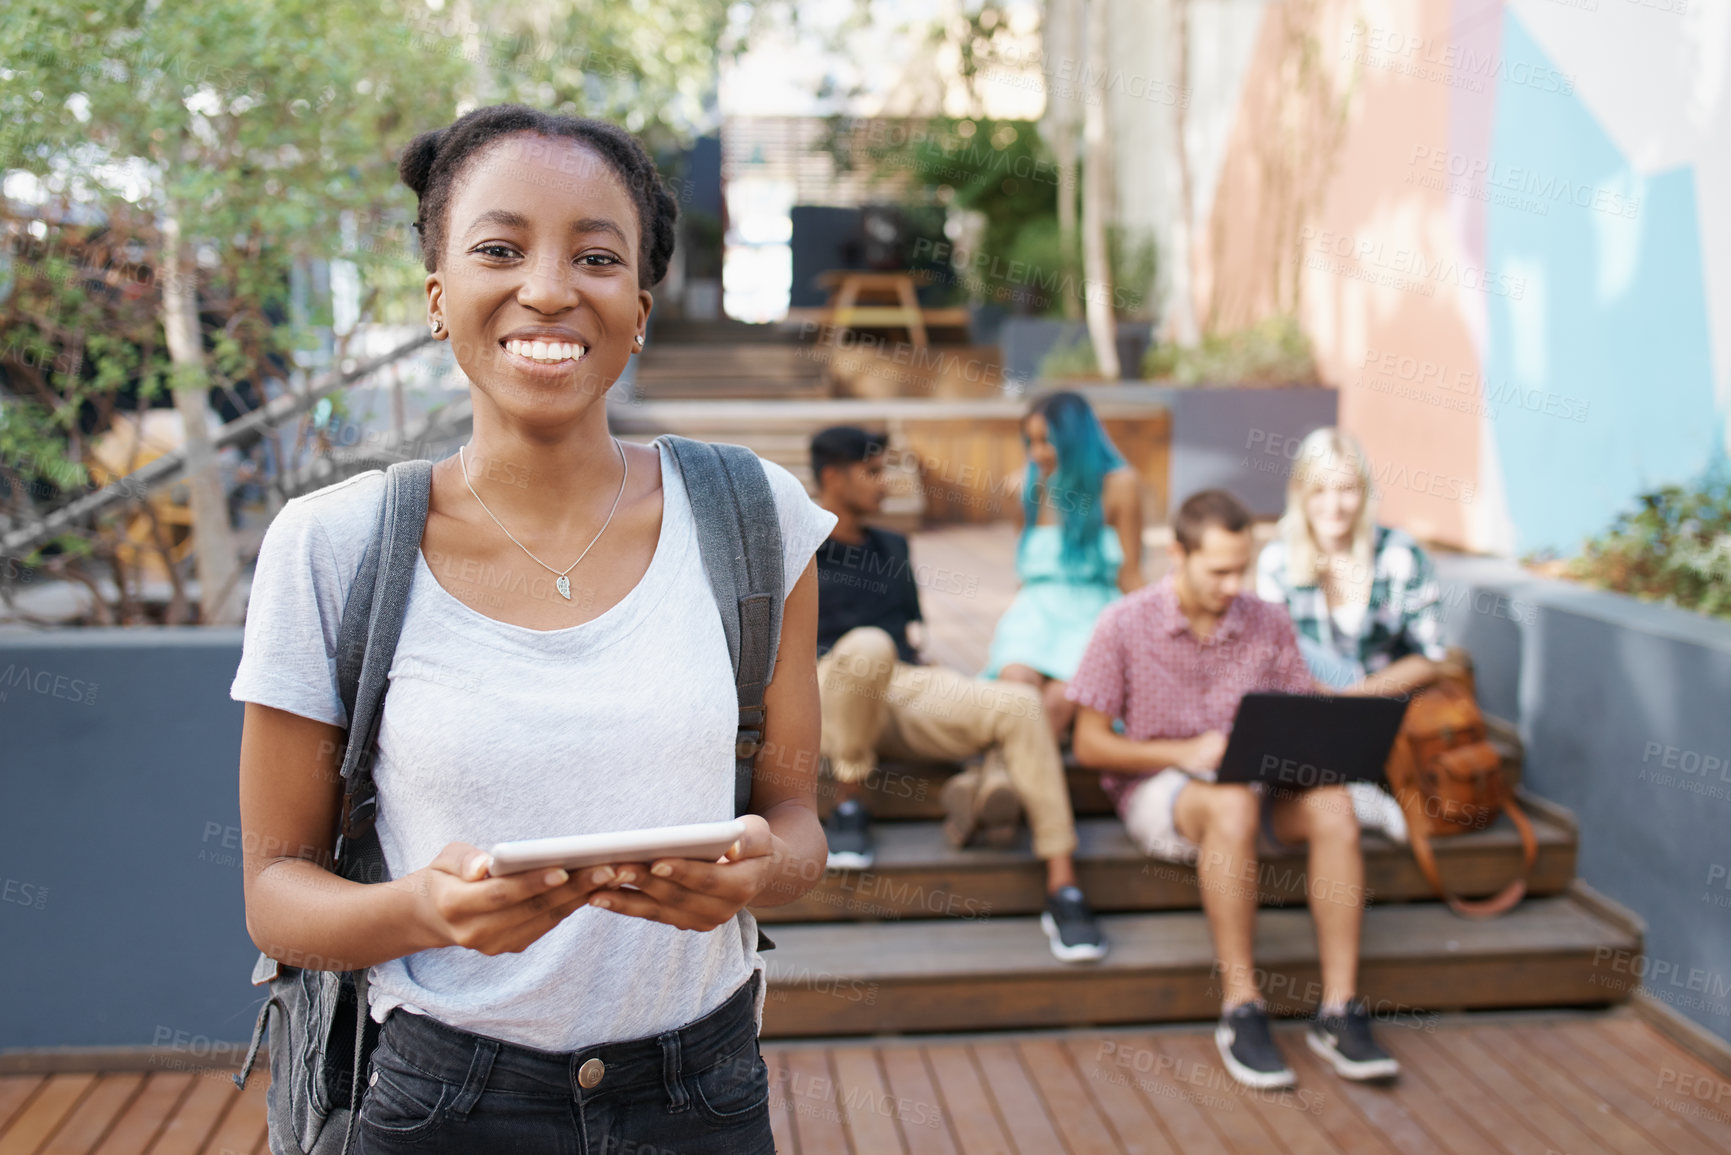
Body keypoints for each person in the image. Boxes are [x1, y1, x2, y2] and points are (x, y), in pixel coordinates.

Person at [230, 104, 836, 1154]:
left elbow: (798, 827)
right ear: (438, 297)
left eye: (596, 256)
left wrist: (756, 873)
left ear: (639, 307)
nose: (549, 288)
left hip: (704, 1094)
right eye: (499, 249)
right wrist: (427, 911)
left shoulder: (755, 518)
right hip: (442, 1097)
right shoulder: (329, 549)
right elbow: (277, 898)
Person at [1068, 489, 1399, 1089]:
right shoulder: (1123, 622)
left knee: (1333, 807)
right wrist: (1183, 752)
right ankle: (1242, 1006)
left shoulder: (1267, 619)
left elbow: (1300, 709)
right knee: (1230, 801)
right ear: (1177, 553)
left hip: (1259, 781)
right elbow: (1089, 745)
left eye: (1241, 568)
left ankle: (1339, 1010)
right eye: (1218, 569)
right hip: (1164, 787)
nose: (1232, 584)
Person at [809, 425, 1107, 963]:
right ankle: (850, 803)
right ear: (832, 476)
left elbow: (911, 638)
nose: (886, 483)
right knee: (868, 647)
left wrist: (944, 684)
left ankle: (1063, 885)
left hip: (899, 686)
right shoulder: (797, 544)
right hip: (830, 687)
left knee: (1019, 704)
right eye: (872, 471)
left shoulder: (893, 546)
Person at [1255, 427, 1470, 842]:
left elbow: (1431, 656)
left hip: (1381, 705)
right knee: (1275, 644)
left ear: (1365, 491)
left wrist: (1353, 696)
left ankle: (1353, 790)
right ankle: (1350, 794)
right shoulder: (1278, 559)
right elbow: (1274, 657)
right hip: (1311, 703)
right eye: (1319, 491)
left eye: (1347, 489)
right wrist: (1323, 696)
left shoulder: (1399, 555)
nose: (1333, 506)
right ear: (1299, 493)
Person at [985, 390, 1145, 740]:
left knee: (1061, 698)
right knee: (1015, 685)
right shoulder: (1026, 484)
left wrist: (1155, 629)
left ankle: (999, 780)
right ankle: (1009, 780)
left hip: (1091, 614)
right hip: (1036, 609)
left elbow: (1130, 573)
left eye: (1047, 441)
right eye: (1030, 441)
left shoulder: (1120, 486)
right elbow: (1025, 564)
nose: (1036, 453)